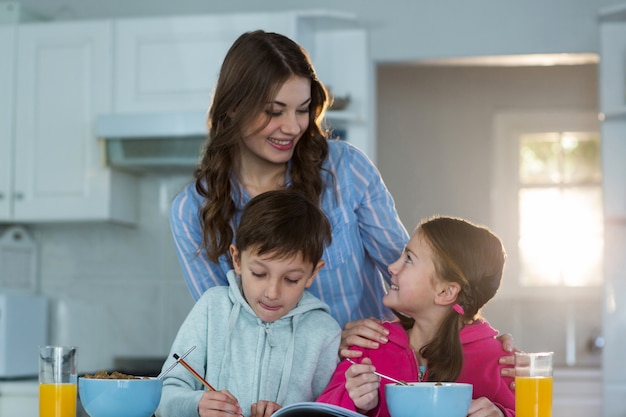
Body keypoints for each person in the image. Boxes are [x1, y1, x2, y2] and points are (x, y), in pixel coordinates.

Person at [168, 29, 517, 370]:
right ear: (232, 109)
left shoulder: (346, 171)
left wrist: (478, 342)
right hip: (274, 398)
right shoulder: (192, 213)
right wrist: (328, 341)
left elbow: (416, 283)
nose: (291, 127)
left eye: (302, 110)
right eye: (274, 111)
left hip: (368, 381)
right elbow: (225, 330)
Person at [157, 189, 342, 417]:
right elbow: (162, 394)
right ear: (237, 259)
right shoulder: (211, 309)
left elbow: (331, 409)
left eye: (291, 279)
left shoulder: (324, 332)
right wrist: (197, 405)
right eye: (259, 273)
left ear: (313, 273)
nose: (272, 293)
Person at [317, 216, 515, 417]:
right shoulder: (368, 346)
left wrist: (501, 415)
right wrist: (353, 401)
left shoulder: (500, 362)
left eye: (409, 259)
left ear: (445, 292)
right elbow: (318, 412)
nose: (392, 267)